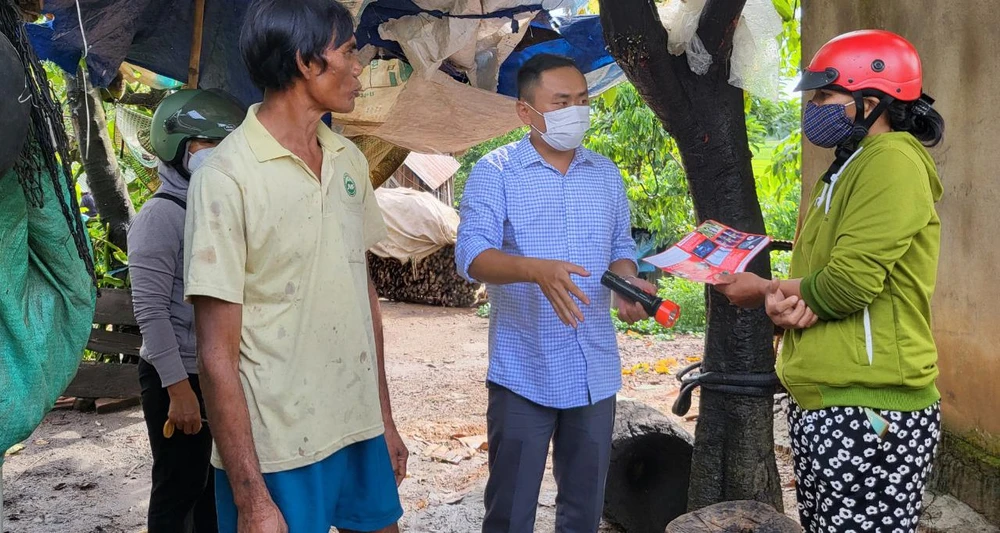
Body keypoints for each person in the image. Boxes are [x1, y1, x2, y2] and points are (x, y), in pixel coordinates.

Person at [183, 1, 407, 532]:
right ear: (307, 63)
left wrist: (386, 422)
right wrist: (251, 498)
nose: (359, 68)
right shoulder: (225, 178)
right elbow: (216, 354)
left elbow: (364, 300)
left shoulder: (349, 160)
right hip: (277, 451)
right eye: (349, 52)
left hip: (357, 430)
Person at [715, 30, 945, 533]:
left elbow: (845, 284)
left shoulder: (893, 162)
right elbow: (820, 282)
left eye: (824, 95)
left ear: (869, 101)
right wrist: (785, 302)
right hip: (831, 401)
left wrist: (760, 291)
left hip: (870, 408)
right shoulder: (847, 168)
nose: (812, 107)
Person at [455, 53, 656, 533]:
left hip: (594, 369)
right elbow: (472, 257)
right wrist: (534, 270)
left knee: (584, 511)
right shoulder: (496, 172)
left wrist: (626, 282)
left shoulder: (604, 174)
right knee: (510, 511)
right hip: (525, 366)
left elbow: (619, 248)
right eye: (562, 101)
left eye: (582, 100)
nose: (577, 111)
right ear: (526, 111)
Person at [128, 88, 246, 533]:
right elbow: (151, 311)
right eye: (215, 148)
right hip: (175, 375)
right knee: (178, 490)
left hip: (212, 372)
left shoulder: (208, 210)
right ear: (185, 149)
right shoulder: (160, 216)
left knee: (212, 490)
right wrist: (179, 391)